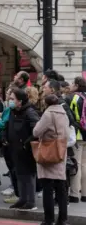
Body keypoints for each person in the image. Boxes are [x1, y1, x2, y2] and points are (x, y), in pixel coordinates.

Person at [33, 94, 69, 225]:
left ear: (46, 103)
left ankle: (48, 220)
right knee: (61, 188)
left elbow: (36, 132)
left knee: (47, 187)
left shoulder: (48, 114)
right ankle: (63, 219)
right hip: (61, 151)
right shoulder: (63, 113)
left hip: (49, 152)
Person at [7, 88, 40, 210]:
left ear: (20, 101)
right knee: (19, 174)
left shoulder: (30, 112)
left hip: (26, 150)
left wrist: (26, 143)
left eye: (12, 99)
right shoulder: (13, 111)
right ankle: (22, 199)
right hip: (15, 148)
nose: (10, 101)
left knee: (28, 175)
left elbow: (36, 130)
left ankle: (31, 202)